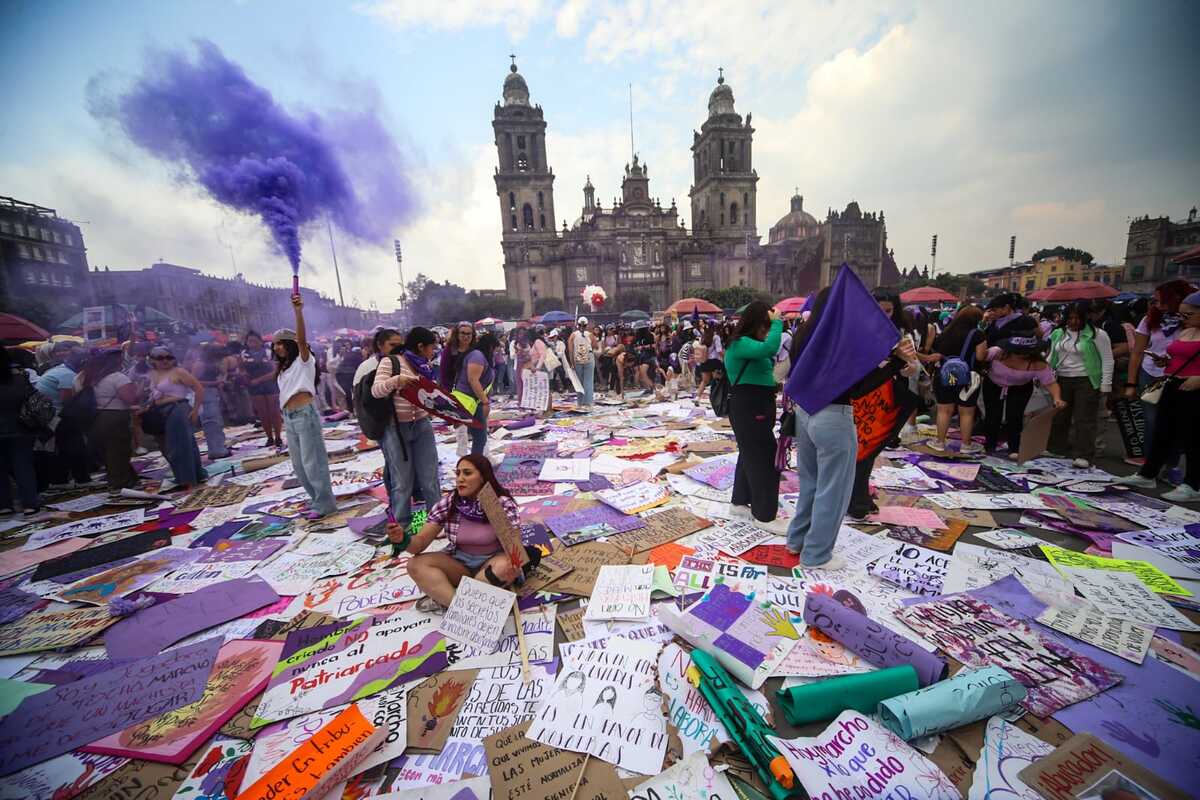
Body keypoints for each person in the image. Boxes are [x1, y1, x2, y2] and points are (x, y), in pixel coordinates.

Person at [785, 290, 916, 566]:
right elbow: (858, 387)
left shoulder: (803, 333)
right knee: (833, 490)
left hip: (805, 414)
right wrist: (895, 364)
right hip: (833, 416)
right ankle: (817, 555)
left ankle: (797, 541)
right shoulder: (838, 338)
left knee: (810, 483)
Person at [393, 454, 539, 612]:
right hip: (460, 564)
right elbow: (419, 544)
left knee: (506, 566)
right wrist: (403, 539)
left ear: (483, 477)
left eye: (467, 473)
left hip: (492, 562)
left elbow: (514, 549)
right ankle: (460, 607)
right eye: (458, 473)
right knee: (415, 564)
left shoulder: (500, 502)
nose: (460, 479)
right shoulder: (449, 503)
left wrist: (513, 566)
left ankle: (451, 597)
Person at [1122, 290, 1200, 501]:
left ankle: (1193, 484)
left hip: (1193, 388)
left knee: (1192, 437)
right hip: (1172, 383)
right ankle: (1148, 473)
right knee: (1162, 431)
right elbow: (1177, 355)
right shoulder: (1187, 331)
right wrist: (1164, 360)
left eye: (1189, 315)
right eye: (1182, 315)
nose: (1183, 319)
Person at [724, 301, 787, 534]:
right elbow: (769, 350)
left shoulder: (749, 344)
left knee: (750, 454)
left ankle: (740, 502)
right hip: (749, 405)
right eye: (766, 326)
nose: (768, 332)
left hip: (756, 403)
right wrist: (779, 322)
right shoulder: (740, 343)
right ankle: (765, 515)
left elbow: (765, 366)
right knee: (764, 458)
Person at [372, 326, 442, 533]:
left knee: (429, 477)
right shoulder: (391, 362)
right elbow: (376, 390)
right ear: (420, 347)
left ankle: (437, 522)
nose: (433, 353)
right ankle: (401, 526)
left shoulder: (424, 366)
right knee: (402, 481)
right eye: (431, 348)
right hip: (396, 428)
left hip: (421, 425)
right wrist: (397, 381)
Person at [273, 295, 336, 517]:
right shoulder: (284, 369)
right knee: (299, 466)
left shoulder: (303, 361)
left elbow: (302, 340)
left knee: (313, 463)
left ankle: (325, 504)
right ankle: (316, 500)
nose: (277, 347)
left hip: (304, 415)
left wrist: (298, 311)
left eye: (281, 343)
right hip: (289, 418)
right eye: (275, 344)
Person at [978, 328, 1066, 458]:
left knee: (1014, 417)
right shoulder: (997, 353)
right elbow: (980, 356)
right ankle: (990, 445)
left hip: (1021, 388)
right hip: (993, 385)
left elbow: (1050, 383)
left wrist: (1057, 398)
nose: (1021, 355)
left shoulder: (1038, 364)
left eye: (1025, 352)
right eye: (1017, 352)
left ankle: (1014, 448)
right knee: (992, 416)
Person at [1047, 300, 1114, 467]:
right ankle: (1056, 448)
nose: (1074, 322)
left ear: (1086, 318)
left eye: (1078, 318)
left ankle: (1084, 454)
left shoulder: (1098, 334)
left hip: (1086, 379)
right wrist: (1044, 374)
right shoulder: (1058, 333)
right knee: (1060, 416)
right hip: (1062, 378)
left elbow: (1107, 360)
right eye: (1070, 318)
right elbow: (1051, 356)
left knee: (1084, 418)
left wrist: (1106, 385)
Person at [920, 305, 984, 453]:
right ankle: (966, 445)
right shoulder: (977, 334)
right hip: (969, 377)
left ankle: (940, 442)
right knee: (967, 412)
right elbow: (981, 356)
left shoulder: (945, 333)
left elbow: (937, 352)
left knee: (944, 410)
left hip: (945, 375)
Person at [78, 347, 141, 493]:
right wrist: (139, 389)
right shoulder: (118, 377)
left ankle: (126, 479)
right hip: (115, 417)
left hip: (98, 417)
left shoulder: (94, 377)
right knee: (118, 450)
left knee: (108, 451)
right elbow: (130, 399)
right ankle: (120, 483)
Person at [146, 346, 207, 489]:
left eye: (169, 357)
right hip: (163, 411)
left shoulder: (178, 372)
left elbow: (198, 388)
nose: (165, 361)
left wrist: (196, 409)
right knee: (179, 444)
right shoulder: (153, 373)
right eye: (161, 358)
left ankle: (186, 479)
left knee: (180, 445)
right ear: (153, 360)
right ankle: (193, 475)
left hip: (178, 409)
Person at [34, 342, 92, 487]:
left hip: (48, 415)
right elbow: (68, 400)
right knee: (75, 445)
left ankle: (60, 480)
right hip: (57, 415)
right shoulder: (67, 375)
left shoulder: (61, 369)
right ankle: (82, 479)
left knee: (61, 448)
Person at [0, 346, 42, 515]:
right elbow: (32, 399)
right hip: (21, 427)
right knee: (23, 466)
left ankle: (4, 505)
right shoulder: (21, 379)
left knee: (0, 469)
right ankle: (30, 503)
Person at [454, 333, 498, 456]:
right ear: (490, 347)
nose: (495, 353)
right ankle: (475, 463)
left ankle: (474, 461)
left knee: (479, 435)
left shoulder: (478, 356)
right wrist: (485, 402)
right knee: (480, 436)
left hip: (473, 401)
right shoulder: (477, 356)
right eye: (495, 350)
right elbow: (473, 380)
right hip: (470, 401)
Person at [242, 331, 283, 450]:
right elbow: (241, 368)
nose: (252, 344)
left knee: (274, 412)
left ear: (260, 341)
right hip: (254, 387)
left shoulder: (269, 352)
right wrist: (244, 375)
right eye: (250, 341)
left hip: (270, 384)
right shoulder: (244, 354)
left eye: (255, 341)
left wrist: (259, 380)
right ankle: (269, 437)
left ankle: (278, 437)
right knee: (263, 413)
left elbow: (276, 371)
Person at [193, 343, 230, 460]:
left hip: (213, 392)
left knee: (217, 422)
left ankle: (219, 447)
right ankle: (216, 450)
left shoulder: (213, 363)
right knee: (210, 422)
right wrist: (214, 383)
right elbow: (194, 382)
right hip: (205, 394)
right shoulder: (199, 364)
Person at [568, 317, 596, 408]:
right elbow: (594, 346)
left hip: (577, 360)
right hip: (589, 358)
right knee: (588, 381)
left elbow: (570, 350)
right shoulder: (590, 335)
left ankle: (580, 402)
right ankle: (588, 402)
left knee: (579, 382)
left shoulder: (573, 335)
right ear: (586, 325)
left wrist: (571, 362)